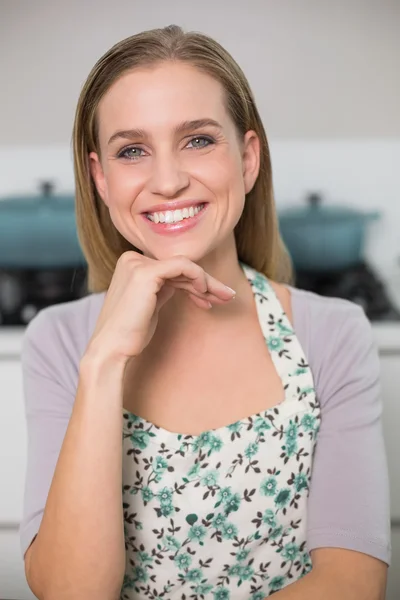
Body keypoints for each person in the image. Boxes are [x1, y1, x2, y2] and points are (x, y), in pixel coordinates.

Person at [19, 24, 390, 600]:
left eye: (197, 140)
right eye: (132, 150)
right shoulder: (61, 342)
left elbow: (352, 581)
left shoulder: (332, 334)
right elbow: (71, 591)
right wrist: (106, 358)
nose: (167, 181)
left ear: (247, 159)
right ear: (100, 178)